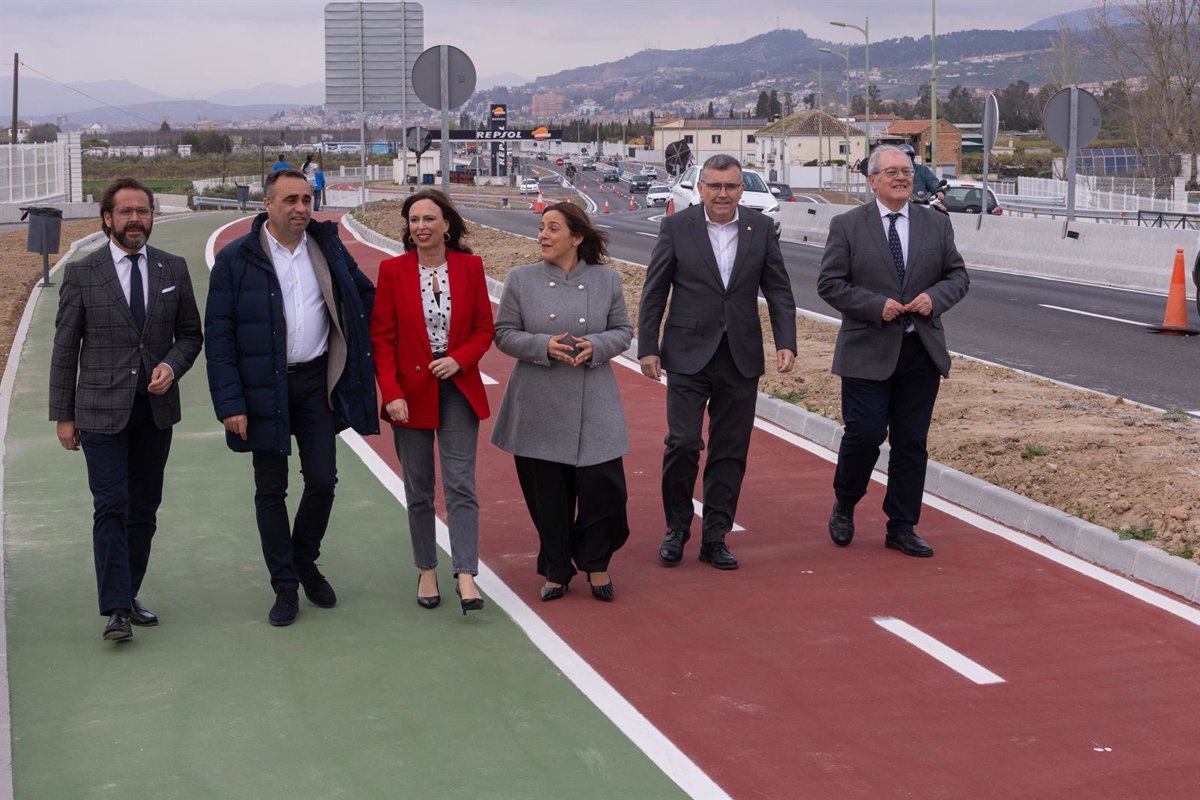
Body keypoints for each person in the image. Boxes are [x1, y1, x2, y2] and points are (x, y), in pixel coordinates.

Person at [205, 168, 378, 625]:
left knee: (323, 480)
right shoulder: (236, 260)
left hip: (316, 383)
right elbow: (218, 337)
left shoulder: (327, 247)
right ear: (268, 206)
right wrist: (231, 404)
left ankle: (304, 559)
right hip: (263, 388)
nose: (302, 208)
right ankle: (284, 585)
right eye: (291, 200)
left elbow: (365, 297)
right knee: (271, 489)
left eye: (307, 199)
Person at [49, 177, 203, 642]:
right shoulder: (82, 273)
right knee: (111, 505)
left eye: (144, 211)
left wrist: (172, 368)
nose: (136, 218)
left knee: (144, 509)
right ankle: (116, 608)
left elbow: (191, 335)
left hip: (154, 412)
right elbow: (64, 347)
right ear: (107, 219)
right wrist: (64, 414)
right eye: (127, 211)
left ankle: (128, 592)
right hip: (98, 410)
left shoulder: (171, 268)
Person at [638, 154, 797, 571]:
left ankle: (715, 537)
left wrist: (786, 342)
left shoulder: (761, 228)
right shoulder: (676, 227)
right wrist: (647, 346)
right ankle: (676, 529)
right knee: (683, 443)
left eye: (730, 186)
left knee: (730, 449)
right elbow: (655, 291)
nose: (722, 193)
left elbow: (778, 290)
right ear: (700, 188)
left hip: (741, 355)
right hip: (687, 353)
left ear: (741, 189)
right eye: (714, 186)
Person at [817, 145, 969, 558]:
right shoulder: (847, 225)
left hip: (920, 350)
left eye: (907, 170)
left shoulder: (935, 225)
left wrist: (934, 299)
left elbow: (958, 276)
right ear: (872, 180)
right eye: (892, 172)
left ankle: (902, 526)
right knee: (864, 434)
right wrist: (874, 306)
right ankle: (846, 502)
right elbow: (829, 284)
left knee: (911, 443)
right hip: (867, 348)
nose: (902, 177)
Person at [492, 202, 632, 602]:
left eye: (553, 229)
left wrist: (597, 345)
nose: (543, 236)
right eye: (541, 228)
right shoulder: (521, 279)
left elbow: (623, 330)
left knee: (604, 488)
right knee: (547, 494)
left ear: (577, 236)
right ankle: (556, 568)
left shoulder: (607, 280)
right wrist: (543, 345)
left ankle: (596, 560)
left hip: (595, 398)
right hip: (539, 399)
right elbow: (503, 334)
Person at [370, 190, 495, 614]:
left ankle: (465, 574)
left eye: (429, 218)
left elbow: (483, 328)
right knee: (419, 489)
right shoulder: (392, 271)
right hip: (410, 395)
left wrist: (459, 360)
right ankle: (426, 568)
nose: (420, 226)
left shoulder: (471, 267)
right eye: (414, 219)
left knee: (461, 484)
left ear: (446, 224)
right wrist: (392, 394)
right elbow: (382, 340)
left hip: (458, 389)